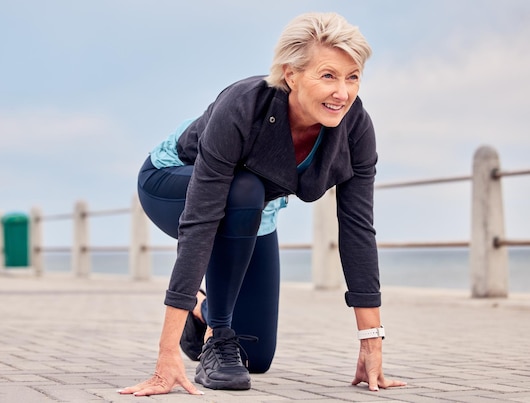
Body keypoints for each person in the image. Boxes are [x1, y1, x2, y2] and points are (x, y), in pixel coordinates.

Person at [119, 12, 406, 396]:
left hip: (252, 209)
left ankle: (203, 314)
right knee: (244, 188)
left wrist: (371, 342)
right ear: (291, 74)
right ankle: (217, 335)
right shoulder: (242, 106)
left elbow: (357, 229)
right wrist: (165, 356)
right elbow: (201, 220)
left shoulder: (354, 128)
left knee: (258, 355)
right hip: (172, 181)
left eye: (352, 77)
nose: (343, 92)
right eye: (328, 75)